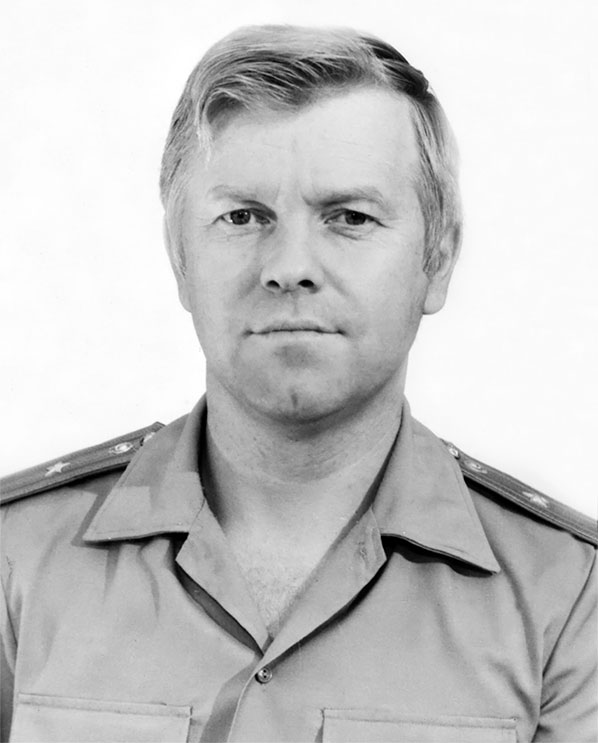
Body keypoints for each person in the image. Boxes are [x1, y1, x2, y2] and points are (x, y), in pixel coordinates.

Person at [1, 24, 596, 743]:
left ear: (438, 259)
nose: (289, 267)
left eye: (349, 217)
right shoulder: (16, 559)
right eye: (243, 216)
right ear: (180, 256)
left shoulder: (569, 596)